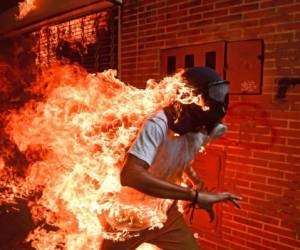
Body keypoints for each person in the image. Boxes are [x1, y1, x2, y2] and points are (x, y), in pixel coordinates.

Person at [101, 67, 241, 250]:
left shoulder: (205, 129)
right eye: (214, 93)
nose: (219, 100)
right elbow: (131, 175)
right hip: (129, 218)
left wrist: (196, 182)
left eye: (222, 92)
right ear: (190, 96)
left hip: (166, 215)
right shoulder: (158, 124)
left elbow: (180, 157)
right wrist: (195, 196)